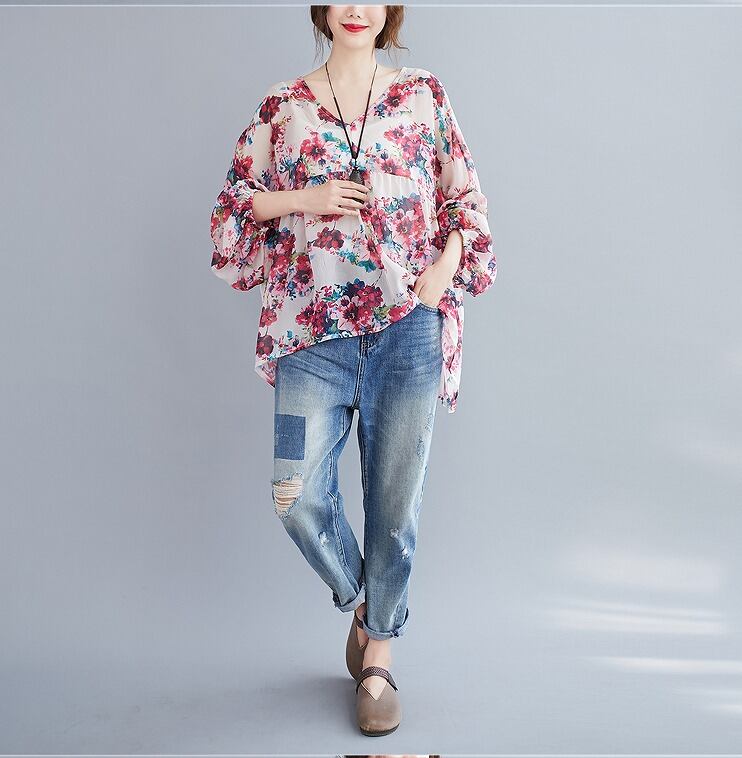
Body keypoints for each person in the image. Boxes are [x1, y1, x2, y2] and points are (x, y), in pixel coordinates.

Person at [209, 4, 496, 737]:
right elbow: (231, 214)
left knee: (394, 508)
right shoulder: (283, 105)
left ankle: (379, 663)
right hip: (313, 330)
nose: (357, 8)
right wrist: (304, 198)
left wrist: (441, 275)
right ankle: (367, 611)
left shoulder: (423, 94)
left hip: (408, 329)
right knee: (295, 494)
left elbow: (465, 203)